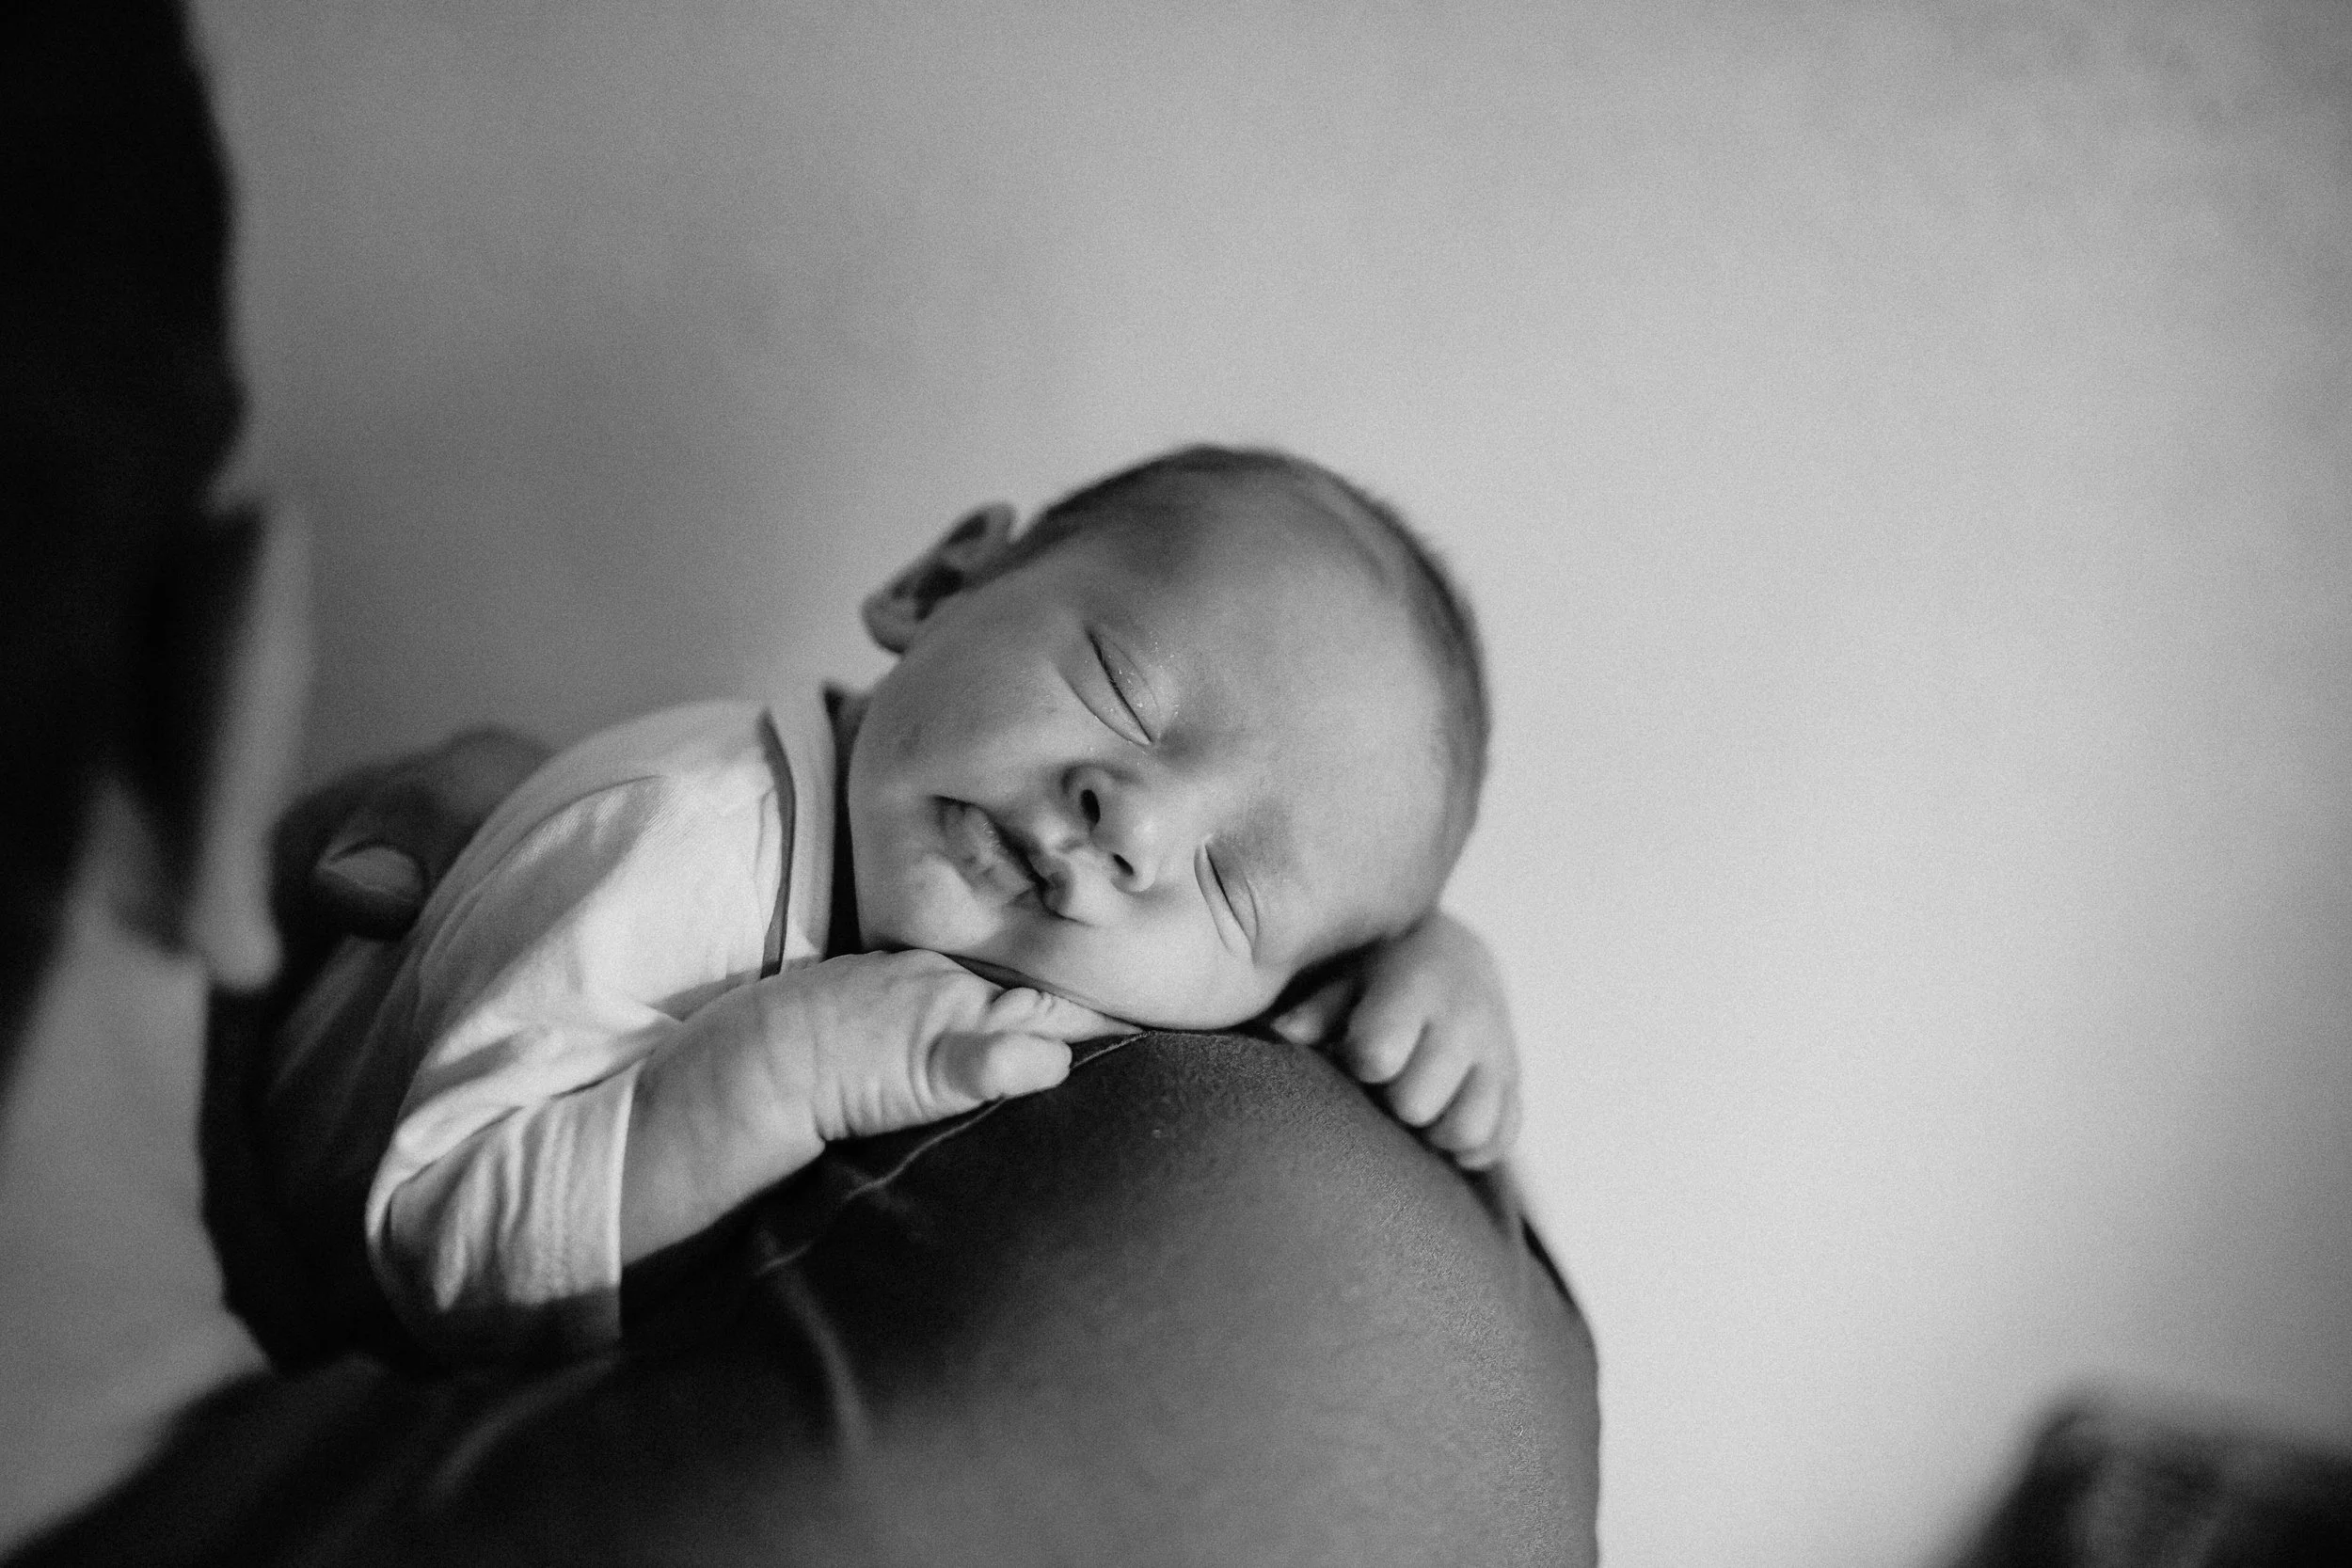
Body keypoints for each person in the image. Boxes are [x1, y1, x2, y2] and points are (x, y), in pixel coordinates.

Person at [261, 443, 1524, 1364]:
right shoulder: (683, 848)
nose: (1134, 824)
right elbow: (429, 1240)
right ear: (937, 582)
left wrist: (1419, 968)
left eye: (1235, 883)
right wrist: (775, 1076)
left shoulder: (1048, 958)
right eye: (1122, 688)